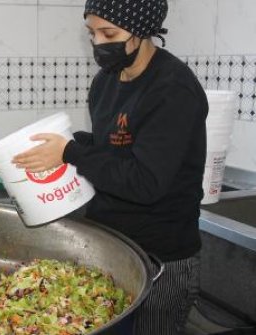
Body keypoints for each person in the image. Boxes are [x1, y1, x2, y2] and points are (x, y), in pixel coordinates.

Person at [11, 0, 207, 334]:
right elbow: (114, 148)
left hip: (161, 260)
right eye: (92, 33)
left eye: (109, 33)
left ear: (143, 31)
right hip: (113, 247)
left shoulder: (172, 90)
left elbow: (145, 182)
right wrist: (70, 143)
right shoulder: (106, 81)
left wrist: (71, 151)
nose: (99, 43)